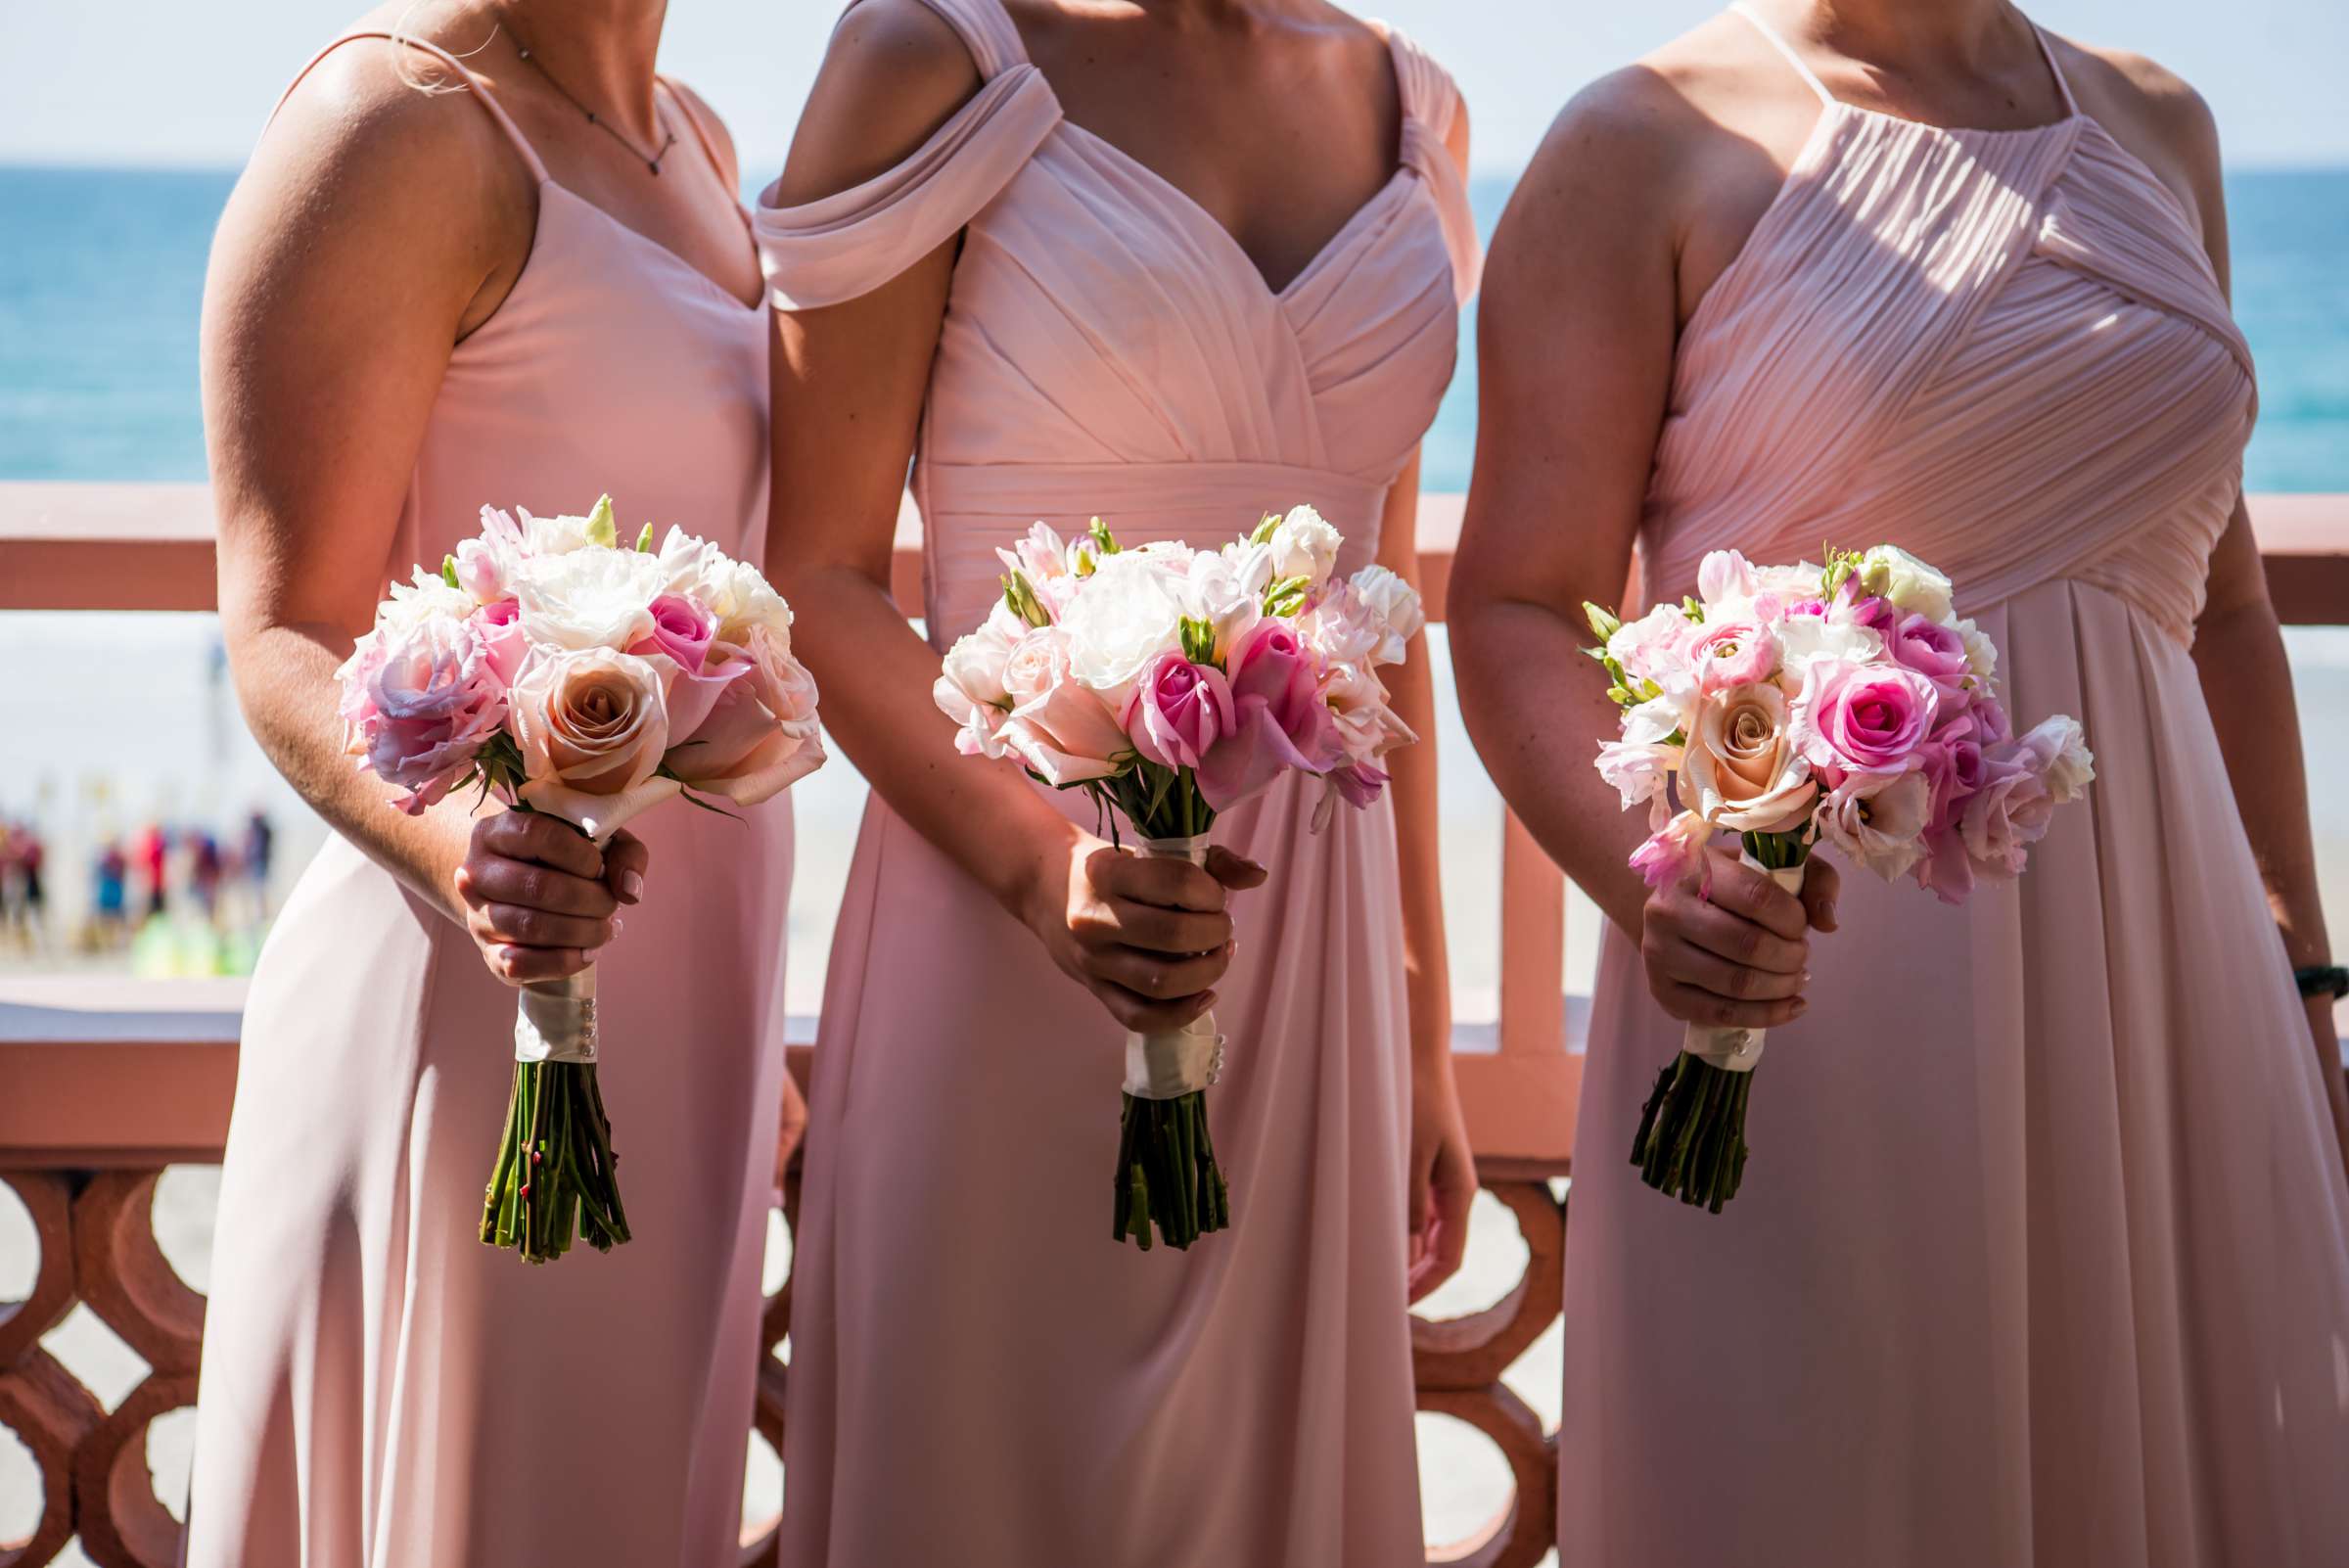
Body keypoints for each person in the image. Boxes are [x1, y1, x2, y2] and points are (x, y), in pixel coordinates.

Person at [1451, 2, 2349, 1562]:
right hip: (1815, 990)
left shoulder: (2161, 125)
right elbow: (1520, 605)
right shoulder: (1637, 144)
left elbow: (2225, 610)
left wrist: (2307, 971)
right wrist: (1659, 881)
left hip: (2173, 992)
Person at [756, 1, 1477, 1559]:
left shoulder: (1413, 105)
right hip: (1011, 918)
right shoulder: (932, 54)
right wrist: (1044, 870)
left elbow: (1387, 599)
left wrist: (1420, 1014)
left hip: (1313, 972)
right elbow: (813, 571)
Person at [184, 3, 791, 1561]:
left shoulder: (703, 143)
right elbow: (285, 631)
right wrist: (474, 855)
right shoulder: (389, 127)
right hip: (473, 997)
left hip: (688, 1018)